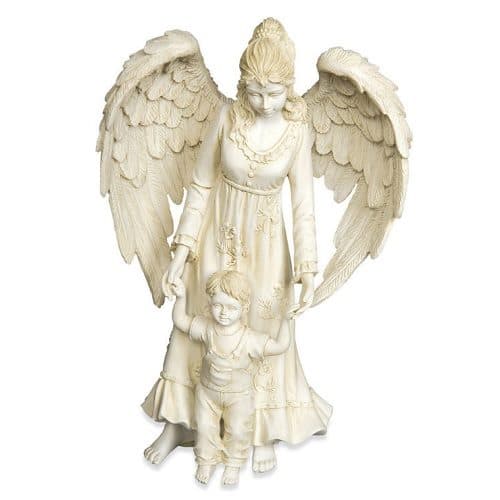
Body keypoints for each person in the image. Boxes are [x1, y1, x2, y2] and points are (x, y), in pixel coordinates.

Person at [143, 18, 332, 473]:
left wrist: (307, 268)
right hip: (217, 232)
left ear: (289, 87)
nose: (264, 103)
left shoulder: (297, 129)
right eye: (255, 92)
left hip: (267, 246)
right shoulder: (228, 116)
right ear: (243, 84)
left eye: (275, 94)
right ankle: (180, 421)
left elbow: (303, 204)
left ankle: (263, 428)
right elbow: (201, 184)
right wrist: (181, 252)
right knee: (198, 318)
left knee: (266, 328)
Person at [170, 271, 292, 485]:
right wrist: (180, 297)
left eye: (231, 307)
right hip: (207, 394)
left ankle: (233, 464)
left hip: (239, 397)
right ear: (210, 303)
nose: (223, 313)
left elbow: (280, 346)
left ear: (244, 308)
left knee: (237, 430)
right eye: (218, 305)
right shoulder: (207, 328)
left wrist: (287, 321)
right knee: (205, 428)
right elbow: (180, 320)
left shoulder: (250, 338)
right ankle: (206, 461)